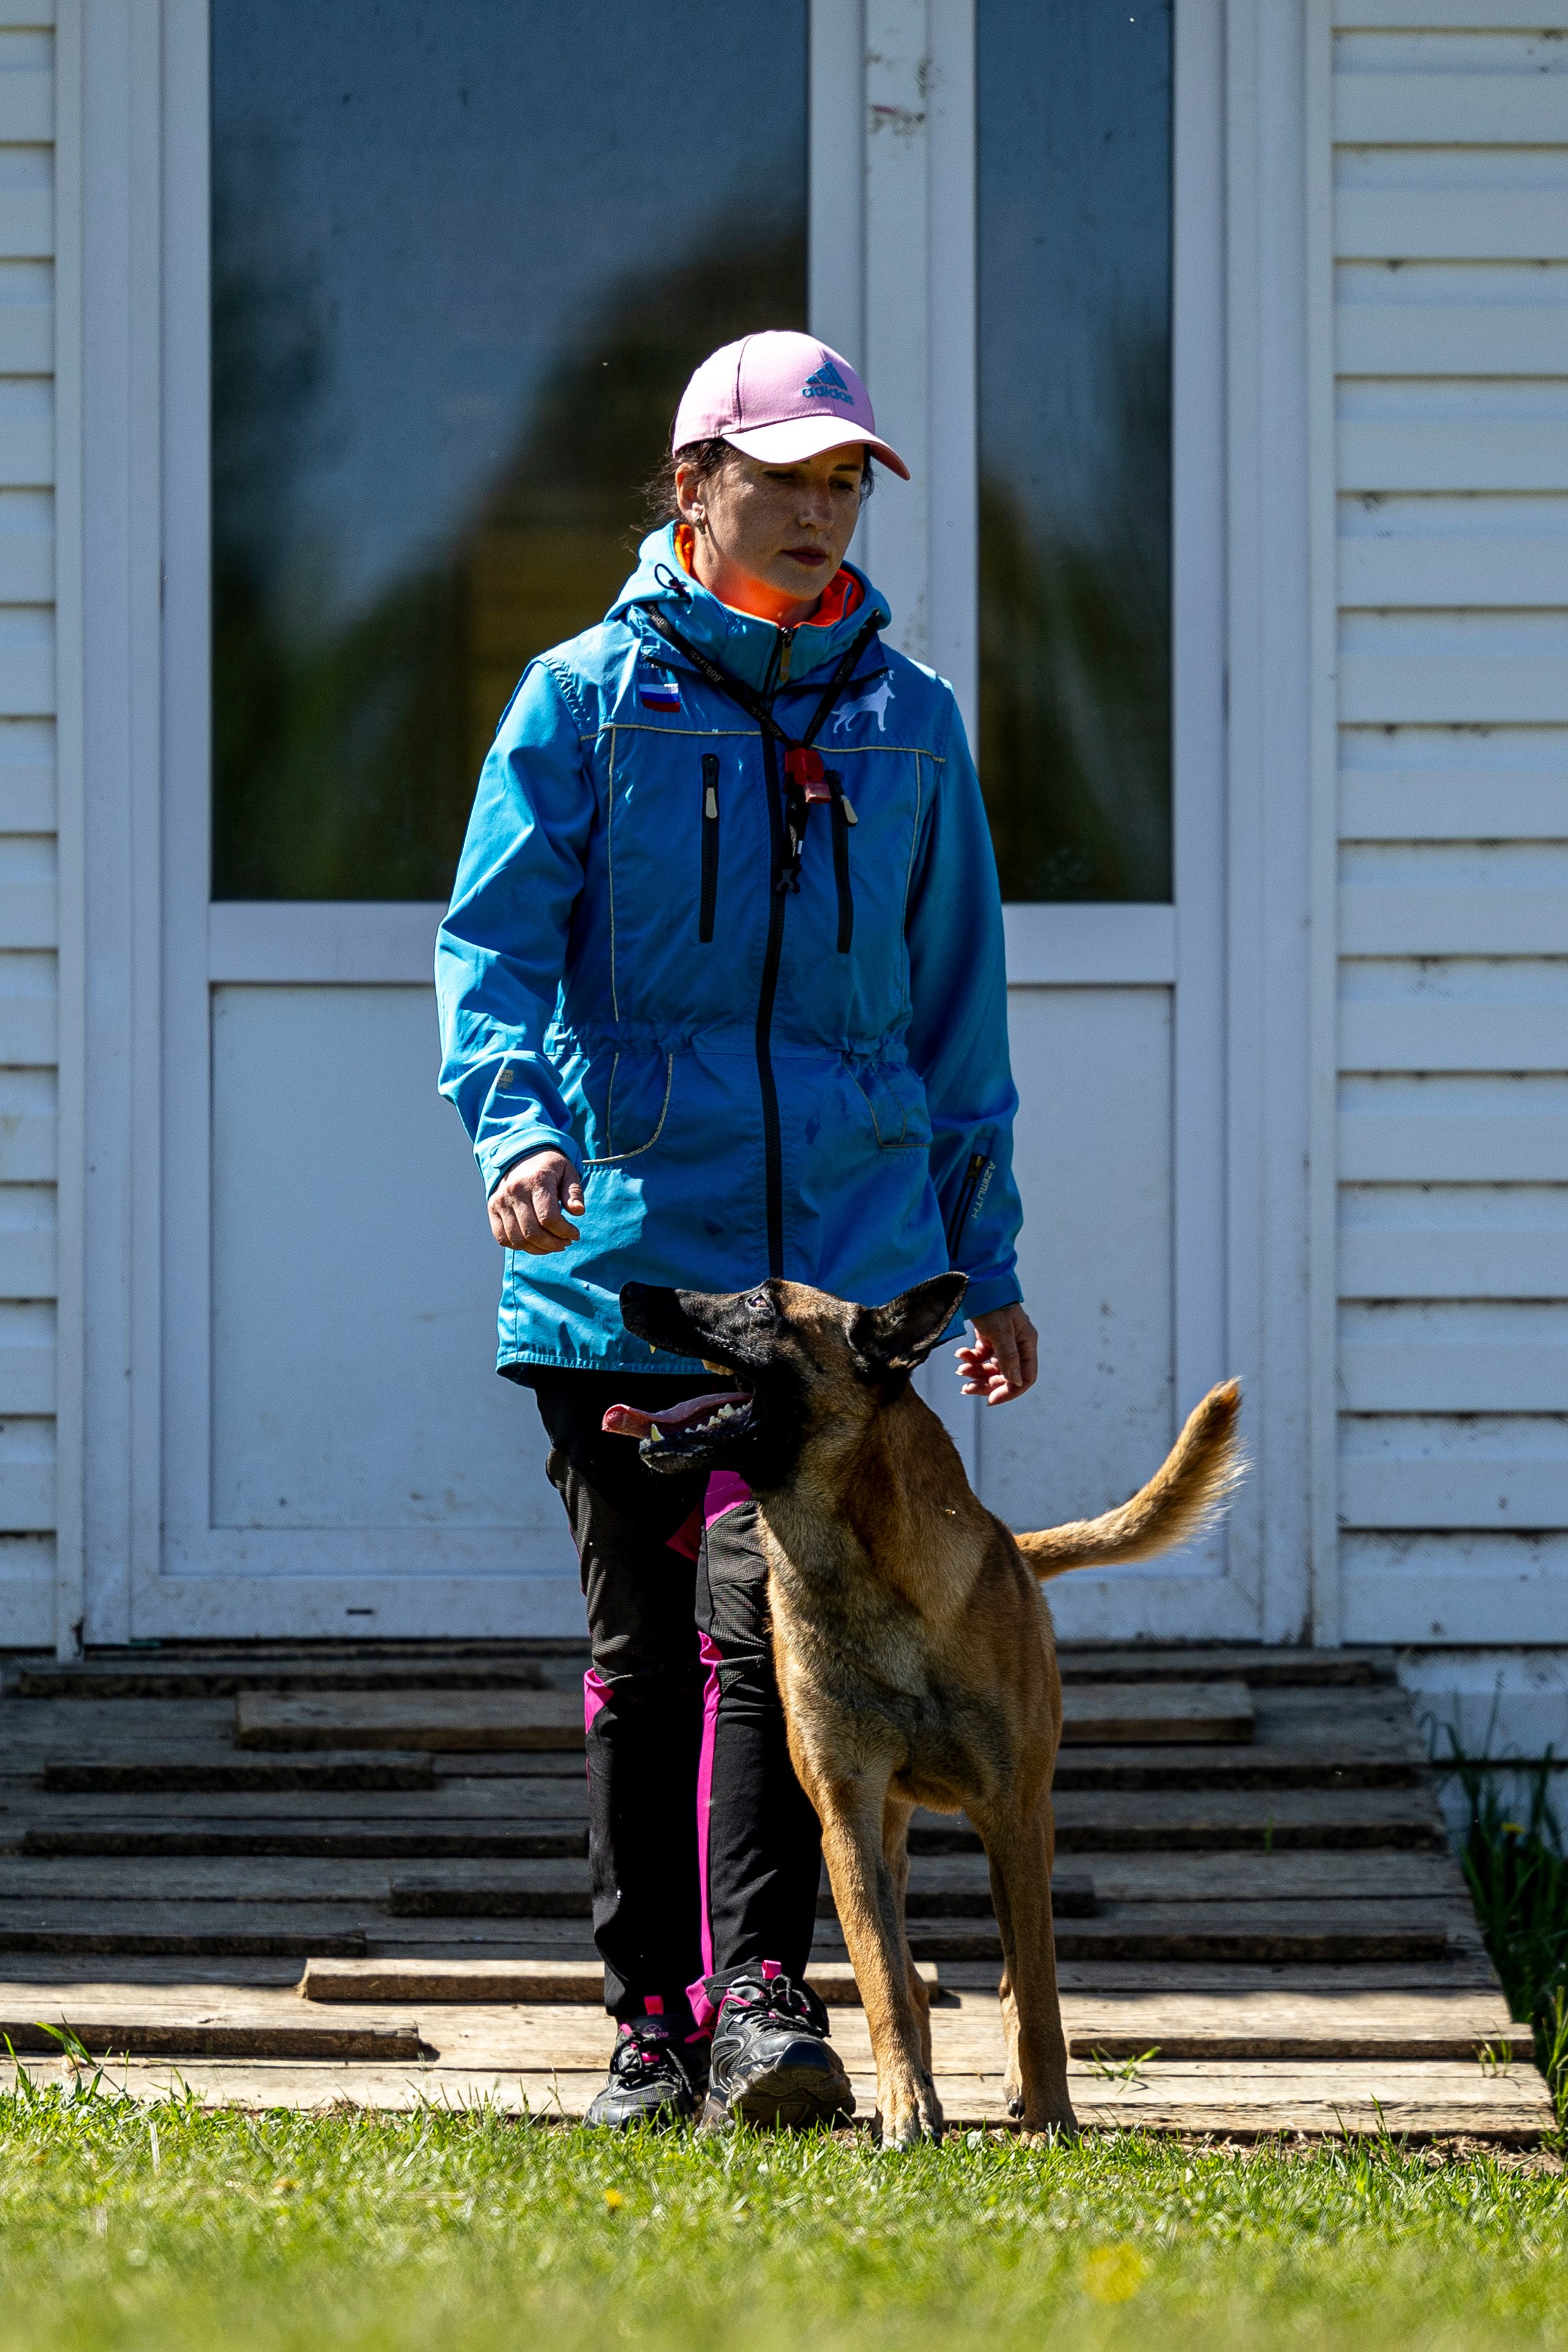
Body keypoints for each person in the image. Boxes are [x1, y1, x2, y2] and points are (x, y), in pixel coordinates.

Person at [436, 330, 1038, 2131]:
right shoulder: (578, 701)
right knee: (645, 1643)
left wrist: (983, 1262)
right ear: (693, 484)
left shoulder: (908, 722)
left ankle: (765, 1995)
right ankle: (652, 2019)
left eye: (844, 481)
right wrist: (519, 1132)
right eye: (783, 478)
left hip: (833, 1296)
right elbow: (491, 953)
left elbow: (956, 1020)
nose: (816, 510)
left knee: (770, 1628)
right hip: (623, 1259)